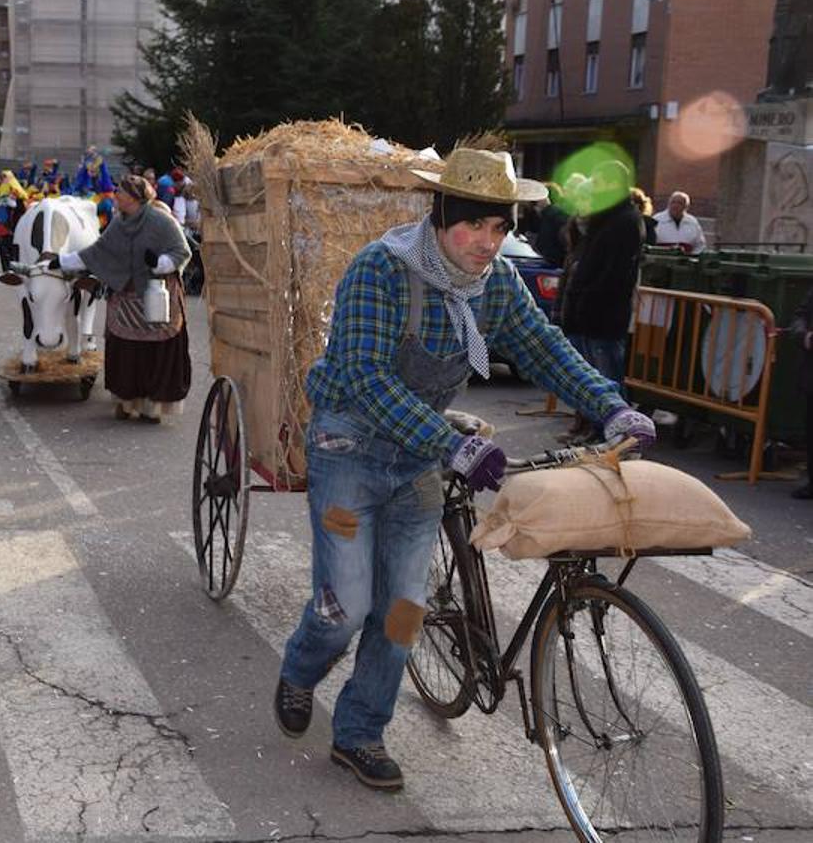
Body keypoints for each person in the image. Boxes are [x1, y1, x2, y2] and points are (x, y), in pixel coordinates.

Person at [271, 148, 657, 792]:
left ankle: (360, 733)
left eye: (500, 227)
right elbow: (364, 378)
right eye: (474, 226)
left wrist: (611, 406)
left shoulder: (495, 281)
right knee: (344, 607)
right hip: (349, 453)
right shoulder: (381, 270)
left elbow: (544, 347)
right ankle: (298, 670)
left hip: (418, 461)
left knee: (401, 613)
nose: (487, 242)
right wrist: (456, 447)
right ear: (442, 216)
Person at [52, 174, 192, 423]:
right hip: (126, 298)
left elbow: (182, 251)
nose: (115, 195)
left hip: (157, 297)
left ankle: (152, 407)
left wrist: (159, 263)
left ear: (134, 198)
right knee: (126, 351)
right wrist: (61, 261)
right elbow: (97, 252)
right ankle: (127, 403)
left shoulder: (161, 221)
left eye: (121, 192)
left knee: (155, 352)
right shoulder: (119, 223)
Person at [559, 160, 646, 407]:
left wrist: (587, 299)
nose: (593, 188)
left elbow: (614, 274)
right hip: (586, 316)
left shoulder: (626, 220)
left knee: (609, 382)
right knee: (592, 382)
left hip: (604, 318)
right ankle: (597, 430)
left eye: (598, 183)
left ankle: (620, 435)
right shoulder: (603, 218)